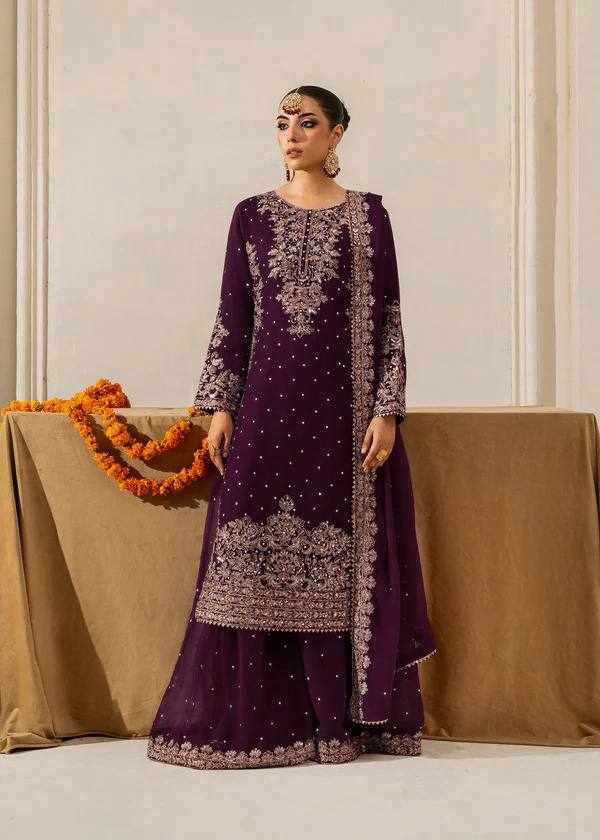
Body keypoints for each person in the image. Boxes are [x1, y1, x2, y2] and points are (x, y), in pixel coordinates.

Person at [147, 85, 437, 770]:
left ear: (337, 133)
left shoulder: (368, 217)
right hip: (267, 410)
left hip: (342, 419)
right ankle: (254, 718)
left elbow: (388, 319)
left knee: (339, 560)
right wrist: (221, 407)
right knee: (246, 547)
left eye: (307, 123)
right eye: (283, 123)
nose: (292, 134)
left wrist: (386, 409)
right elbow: (234, 315)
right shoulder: (250, 216)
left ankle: (335, 724)